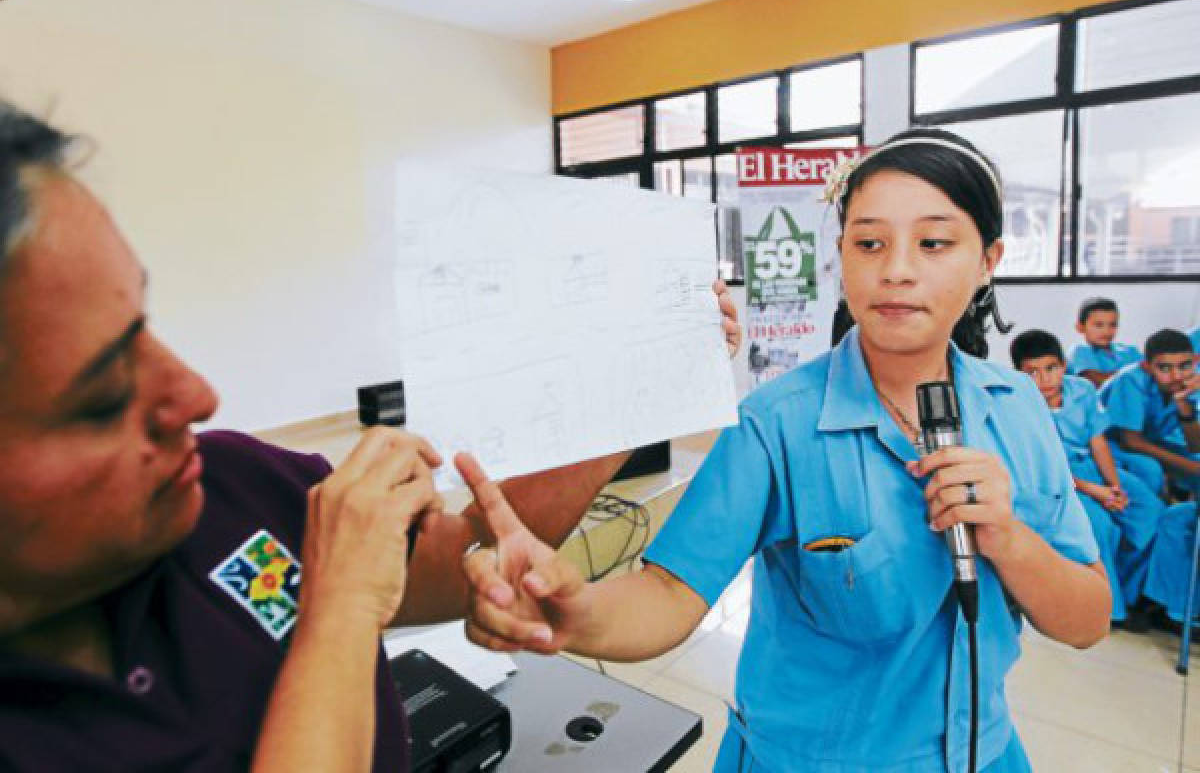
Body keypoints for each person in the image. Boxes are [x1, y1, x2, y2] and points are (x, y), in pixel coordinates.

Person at [0, 101, 743, 771]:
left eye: (144, 328)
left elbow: (458, 561)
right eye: (102, 394)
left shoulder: (229, 486)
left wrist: (632, 392)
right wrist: (341, 602)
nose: (197, 395)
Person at [459, 128, 1111, 773]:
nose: (896, 269)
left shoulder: (1020, 407)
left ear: (988, 260)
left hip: (983, 755)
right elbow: (667, 593)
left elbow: (1088, 619)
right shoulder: (776, 423)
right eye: (870, 242)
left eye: (934, 242)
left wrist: (1007, 538)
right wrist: (576, 611)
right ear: (841, 255)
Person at [1010, 329, 1165, 625]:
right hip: (1056, 478)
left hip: (1093, 466)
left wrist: (1114, 486)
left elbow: (1097, 442)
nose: (1044, 380)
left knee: (1150, 510)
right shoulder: (1018, 405)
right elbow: (1044, 463)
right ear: (1019, 374)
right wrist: (1096, 492)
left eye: (1051, 368)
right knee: (1099, 524)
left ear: (1064, 366)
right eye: (1033, 372)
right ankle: (1111, 609)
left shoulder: (1082, 390)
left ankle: (1134, 592)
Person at [1100, 329, 1200, 500]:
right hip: (1109, 443)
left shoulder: (1190, 382)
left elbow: (1195, 446)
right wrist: (1191, 467)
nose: (1176, 376)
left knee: (1193, 461)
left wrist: (1183, 404)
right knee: (1150, 470)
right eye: (1164, 368)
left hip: (1150, 441)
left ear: (1195, 361)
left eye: (1184, 366)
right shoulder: (1130, 380)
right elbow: (1130, 441)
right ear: (1147, 367)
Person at [1066, 297, 1142, 388]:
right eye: (1098, 325)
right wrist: (1136, 374)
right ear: (1080, 327)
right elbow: (1098, 382)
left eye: (1113, 325)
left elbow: (1153, 374)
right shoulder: (1080, 351)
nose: (1106, 331)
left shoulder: (1130, 350)